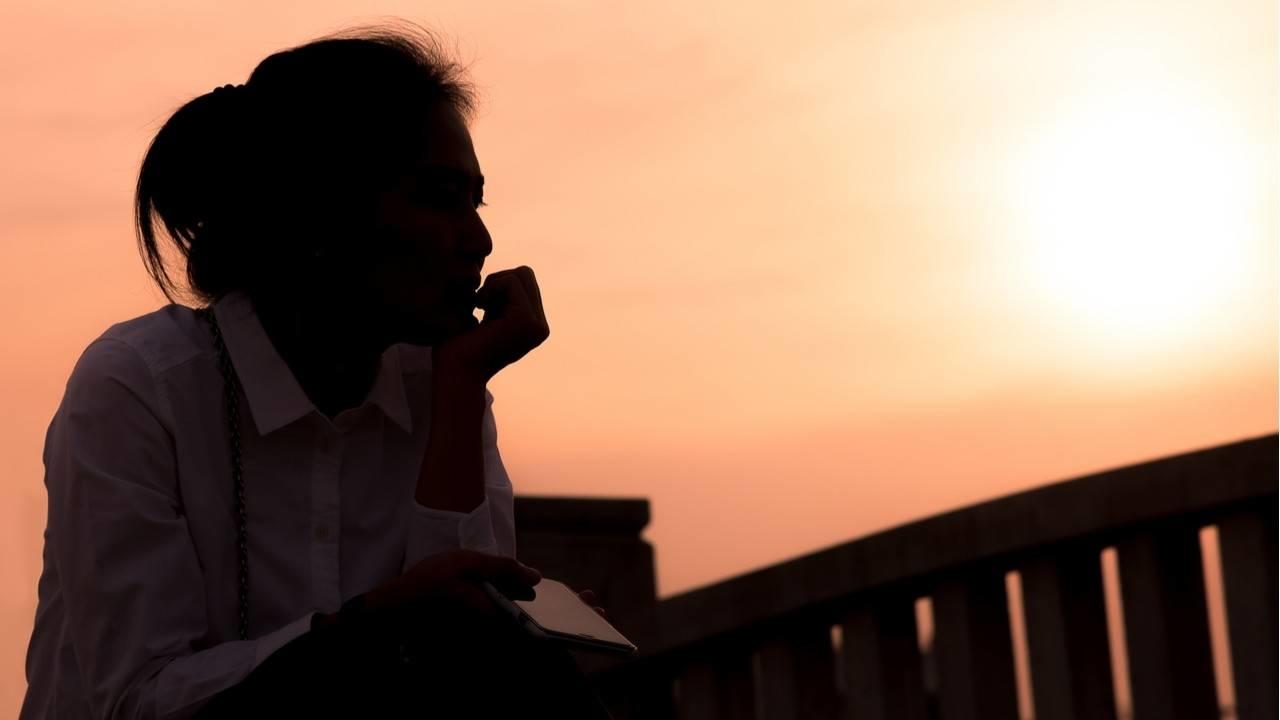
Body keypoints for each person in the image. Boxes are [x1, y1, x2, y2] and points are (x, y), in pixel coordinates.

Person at [21, 21, 613, 719]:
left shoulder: (443, 383)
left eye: (475, 201)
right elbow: (141, 701)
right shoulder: (139, 389)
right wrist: (375, 623)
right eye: (438, 196)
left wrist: (461, 389)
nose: (479, 240)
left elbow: (455, 652)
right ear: (321, 216)